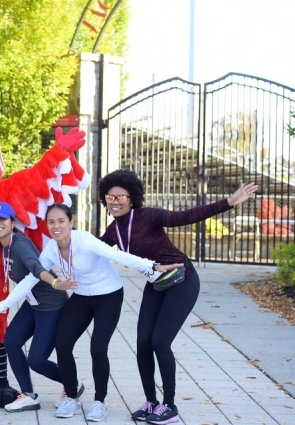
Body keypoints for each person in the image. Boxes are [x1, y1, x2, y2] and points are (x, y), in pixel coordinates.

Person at [97, 169, 258, 424]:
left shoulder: (148, 216)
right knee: (142, 342)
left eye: (121, 197)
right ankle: (151, 403)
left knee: (160, 341)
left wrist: (229, 202)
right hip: (156, 284)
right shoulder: (113, 230)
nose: (115, 202)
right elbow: (94, 250)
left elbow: (188, 216)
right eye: (110, 197)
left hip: (183, 281)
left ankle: (169, 406)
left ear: (131, 198)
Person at [41, 203, 183, 422]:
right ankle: (72, 397)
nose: (56, 226)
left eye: (61, 221)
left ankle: (100, 402)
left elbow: (117, 255)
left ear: (70, 223)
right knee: (63, 343)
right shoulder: (51, 248)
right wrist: (4, 305)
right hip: (81, 296)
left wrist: (151, 266)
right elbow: (35, 274)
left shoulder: (85, 240)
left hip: (108, 295)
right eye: (51, 222)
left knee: (98, 348)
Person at [0, 201, 82, 413]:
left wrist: (54, 282)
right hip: (33, 303)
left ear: (12, 222)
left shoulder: (19, 244)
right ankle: (29, 395)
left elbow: (36, 267)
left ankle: (72, 384)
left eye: (2, 220)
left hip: (51, 304)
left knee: (37, 359)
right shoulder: (4, 245)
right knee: (12, 341)